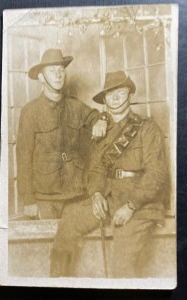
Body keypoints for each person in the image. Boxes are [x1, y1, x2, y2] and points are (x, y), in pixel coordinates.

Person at [52, 70, 168, 278]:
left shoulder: (148, 129)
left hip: (140, 205)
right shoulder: (101, 130)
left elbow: (156, 174)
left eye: (120, 92)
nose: (115, 97)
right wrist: (96, 194)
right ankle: (56, 285)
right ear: (104, 99)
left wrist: (131, 205)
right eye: (110, 93)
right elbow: (96, 169)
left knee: (121, 265)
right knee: (68, 223)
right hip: (108, 198)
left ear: (130, 96)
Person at [16, 48, 108, 276]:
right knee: (51, 251)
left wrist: (101, 119)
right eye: (52, 70)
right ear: (41, 76)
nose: (58, 74)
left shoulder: (76, 107)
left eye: (61, 69)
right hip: (46, 199)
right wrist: (28, 199)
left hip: (76, 196)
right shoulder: (30, 112)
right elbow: (23, 157)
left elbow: (96, 115)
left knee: (77, 251)